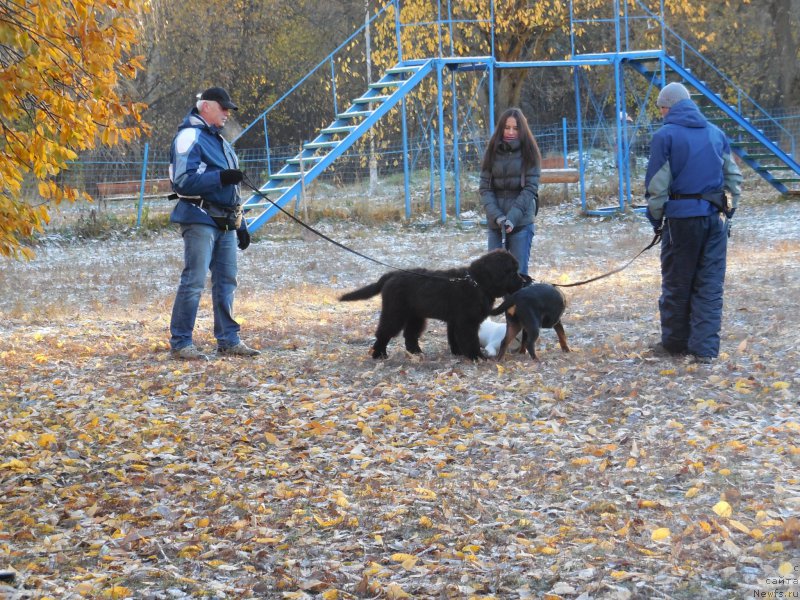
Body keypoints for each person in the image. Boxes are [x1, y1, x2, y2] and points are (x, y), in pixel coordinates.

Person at [644, 82, 742, 364]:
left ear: (667, 107)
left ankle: (675, 345)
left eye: (661, 108)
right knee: (710, 284)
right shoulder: (716, 133)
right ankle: (705, 350)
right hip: (715, 218)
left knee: (677, 282)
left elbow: (657, 185)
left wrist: (656, 218)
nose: (661, 114)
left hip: (681, 220)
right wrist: (729, 212)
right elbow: (734, 179)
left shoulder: (665, 136)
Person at [168, 86, 260, 360]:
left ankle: (229, 340)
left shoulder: (221, 142)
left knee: (227, 281)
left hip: (226, 222)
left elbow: (233, 188)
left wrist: (241, 223)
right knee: (194, 281)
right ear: (206, 106)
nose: (227, 114)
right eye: (224, 108)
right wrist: (220, 178)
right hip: (199, 218)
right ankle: (182, 342)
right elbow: (182, 181)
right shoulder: (189, 137)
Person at [479, 107, 542, 276]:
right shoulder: (491, 152)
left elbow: (530, 189)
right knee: (493, 276)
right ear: (501, 128)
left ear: (522, 129)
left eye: (515, 128)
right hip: (495, 223)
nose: (511, 132)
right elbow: (485, 188)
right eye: (507, 127)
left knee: (518, 275)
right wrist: (498, 216)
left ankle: (517, 304)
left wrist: (512, 218)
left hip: (521, 222)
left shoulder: (530, 153)